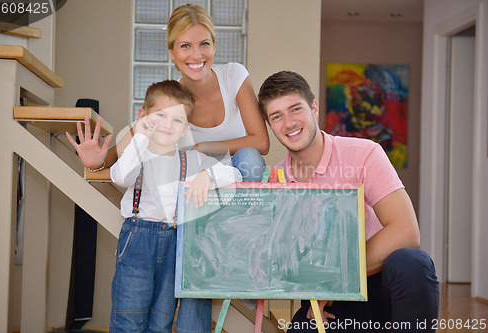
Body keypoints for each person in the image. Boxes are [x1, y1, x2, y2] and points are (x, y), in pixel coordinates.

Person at [257, 71, 439, 332]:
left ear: (314, 107)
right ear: (270, 125)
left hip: (381, 282)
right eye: (276, 116)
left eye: (295, 109)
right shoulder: (275, 181)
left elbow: (406, 231)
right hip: (332, 302)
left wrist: (336, 278)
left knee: (412, 263)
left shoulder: (365, 154)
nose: (288, 123)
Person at [67, 3, 269, 183]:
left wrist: (202, 147)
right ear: (172, 52)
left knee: (250, 157)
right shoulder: (170, 97)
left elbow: (261, 142)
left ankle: (243, 222)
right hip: (196, 179)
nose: (197, 55)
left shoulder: (233, 75)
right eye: (185, 46)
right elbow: (120, 151)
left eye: (204, 44)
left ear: (214, 47)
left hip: (237, 173)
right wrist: (95, 163)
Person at [108, 80, 242, 332]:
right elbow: (120, 177)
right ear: (143, 117)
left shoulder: (191, 159)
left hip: (174, 242)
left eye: (177, 120)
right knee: (129, 317)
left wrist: (208, 175)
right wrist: (140, 135)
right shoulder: (137, 153)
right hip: (137, 240)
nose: (168, 125)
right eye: (160, 116)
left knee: (162, 321)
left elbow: (236, 174)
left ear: (185, 129)